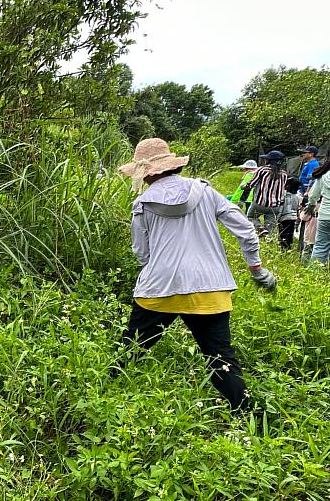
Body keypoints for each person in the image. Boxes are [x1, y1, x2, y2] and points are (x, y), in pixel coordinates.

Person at [117, 138, 276, 412]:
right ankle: (249, 418)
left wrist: (160, 266)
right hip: (210, 289)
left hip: (158, 291)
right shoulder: (205, 191)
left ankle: (105, 398)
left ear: (149, 171)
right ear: (171, 165)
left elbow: (141, 253)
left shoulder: (141, 204)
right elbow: (246, 230)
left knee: (128, 352)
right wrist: (256, 269)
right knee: (221, 361)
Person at [243, 150, 288, 235]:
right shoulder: (284, 174)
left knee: (250, 217)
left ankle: (260, 228)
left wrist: (244, 186)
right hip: (275, 205)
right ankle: (268, 240)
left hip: (260, 202)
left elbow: (251, 184)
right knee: (270, 226)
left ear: (269, 161)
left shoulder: (262, 170)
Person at [306, 158, 330, 265]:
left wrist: (311, 206)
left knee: (320, 245)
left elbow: (313, 195)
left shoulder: (325, 175)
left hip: (325, 216)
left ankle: (314, 274)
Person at [278, 177, 301, 251]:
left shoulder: (284, 195)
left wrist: (278, 217)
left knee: (283, 234)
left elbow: (281, 207)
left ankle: (283, 248)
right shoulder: (297, 197)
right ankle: (288, 247)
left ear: (287, 186)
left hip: (284, 217)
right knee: (290, 233)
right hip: (293, 217)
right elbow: (297, 208)